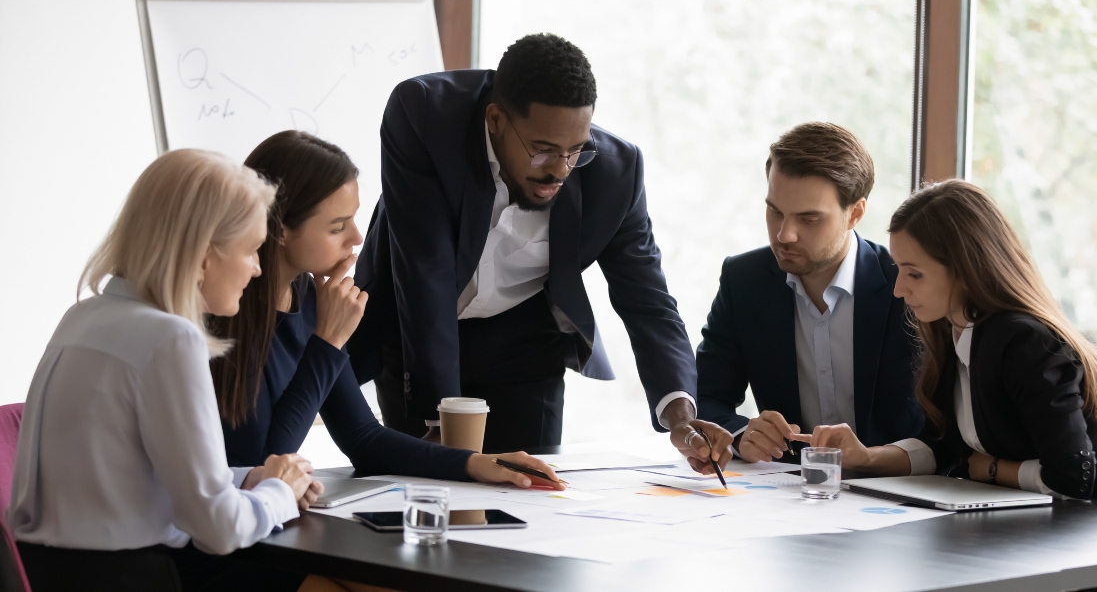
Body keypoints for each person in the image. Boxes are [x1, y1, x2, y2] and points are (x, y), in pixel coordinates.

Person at [349, 33, 732, 470]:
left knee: (530, 493)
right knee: (424, 490)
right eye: (543, 151)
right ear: (495, 120)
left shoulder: (615, 172)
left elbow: (648, 299)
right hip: (418, 332)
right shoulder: (424, 115)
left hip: (524, 344)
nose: (560, 170)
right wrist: (441, 420)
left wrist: (681, 417)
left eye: (575, 151)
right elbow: (426, 271)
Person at [798, 180, 1097, 592]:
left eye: (914, 274)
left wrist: (993, 469)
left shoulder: (1023, 341)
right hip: (1055, 549)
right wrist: (868, 458)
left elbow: (1073, 476)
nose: (898, 289)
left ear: (964, 270)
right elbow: (943, 447)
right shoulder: (956, 335)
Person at [7, 149, 323, 591]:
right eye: (252, 250)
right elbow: (219, 528)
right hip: (135, 578)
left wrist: (248, 478)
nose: (257, 267)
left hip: (55, 573)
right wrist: (280, 493)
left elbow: (135, 477)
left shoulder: (83, 318)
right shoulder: (171, 339)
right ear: (203, 256)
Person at [211, 130, 566, 490]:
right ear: (280, 228)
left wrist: (475, 463)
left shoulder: (310, 297)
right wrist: (329, 341)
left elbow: (362, 437)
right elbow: (261, 465)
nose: (356, 238)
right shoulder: (224, 310)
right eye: (337, 227)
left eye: (353, 219)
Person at [696, 122, 923, 463]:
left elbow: (942, 425)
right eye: (775, 211)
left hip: (895, 489)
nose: (785, 234)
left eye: (809, 219)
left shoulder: (906, 284)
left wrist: (873, 459)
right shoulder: (744, 280)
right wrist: (743, 435)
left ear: (855, 214)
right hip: (787, 493)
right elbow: (705, 395)